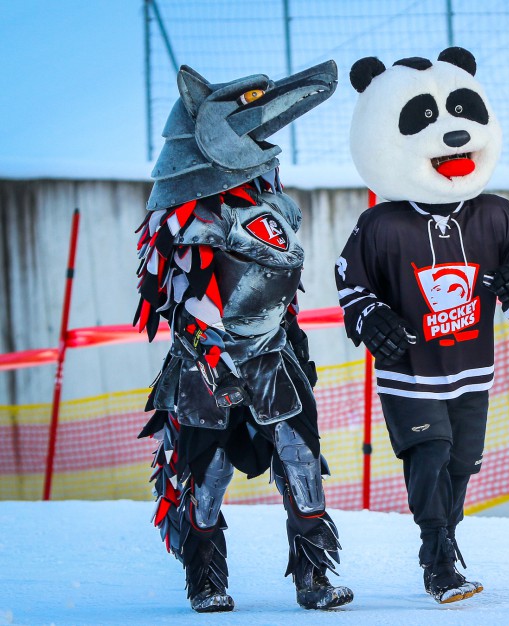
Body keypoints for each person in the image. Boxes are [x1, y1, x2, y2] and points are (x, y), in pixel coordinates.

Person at [134, 62, 354, 612]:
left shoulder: (266, 196)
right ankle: (206, 582)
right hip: (206, 362)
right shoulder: (184, 215)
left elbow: (283, 270)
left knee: (301, 462)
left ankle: (313, 579)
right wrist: (212, 345)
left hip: (272, 352)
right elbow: (168, 293)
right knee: (205, 476)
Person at [338, 47, 509, 603]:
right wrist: (369, 316)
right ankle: (437, 560)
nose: (454, 135)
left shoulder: (497, 213)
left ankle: (446, 541)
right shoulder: (380, 224)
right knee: (430, 455)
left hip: (470, 370)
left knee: (460, 464)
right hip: (410, 373)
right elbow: (349, 282)